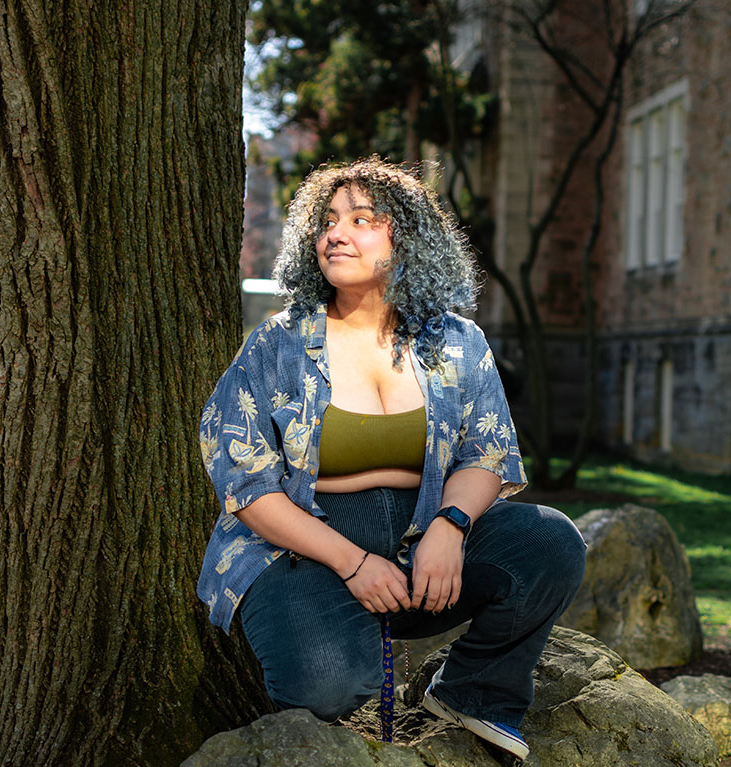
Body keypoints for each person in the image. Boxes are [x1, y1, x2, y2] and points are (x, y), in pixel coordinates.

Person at [196, 158, 586, 760]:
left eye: (361, 220)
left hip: (423, 536)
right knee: (330, 688)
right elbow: (246, 486)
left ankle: (473, 691)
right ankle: (338, 648)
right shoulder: (279, 344)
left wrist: (450, 527)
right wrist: (353, 564)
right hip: (306, 546)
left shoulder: (457, 342)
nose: (335, 234)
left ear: (408, 240)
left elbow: (487, 452)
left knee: (550, 541)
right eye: (327, 221)